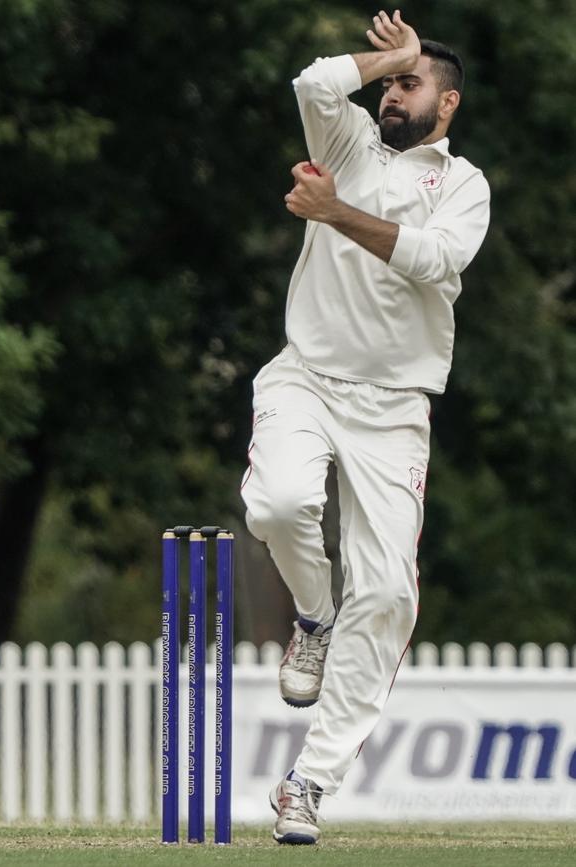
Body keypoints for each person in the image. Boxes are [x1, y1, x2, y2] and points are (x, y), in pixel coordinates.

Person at [240, 9, 490, 846]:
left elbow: (432, 260)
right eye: (388, 80)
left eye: (411, 82)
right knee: (276, 504)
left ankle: (308, 781)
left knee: (384, 595)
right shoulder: (344, 142)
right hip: (306, 375)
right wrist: (389, 52)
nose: (392, 92)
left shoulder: (463, 186)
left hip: (393, 410)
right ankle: (314, 619)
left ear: (446, 105)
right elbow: (313, 81)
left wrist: (332, 212)